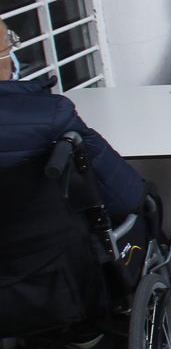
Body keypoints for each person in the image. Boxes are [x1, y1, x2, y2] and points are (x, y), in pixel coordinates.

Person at [0, 19, 144, 222]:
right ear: (4, 58)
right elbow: (125, 197)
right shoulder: (51, 116)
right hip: (53, 248)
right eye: (10, 44)